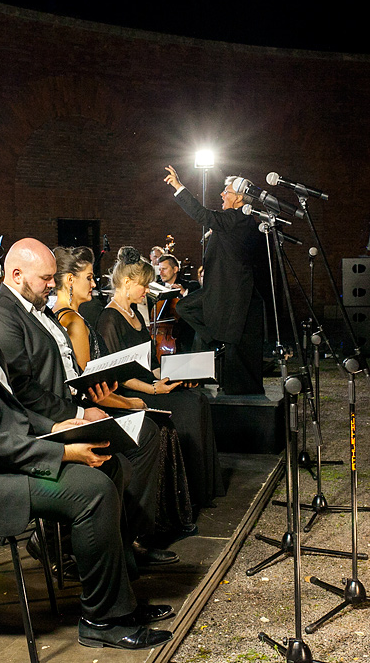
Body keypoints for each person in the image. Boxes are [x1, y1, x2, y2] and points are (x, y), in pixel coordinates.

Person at [0, 226, 173, 649]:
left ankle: (118, 597)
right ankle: (102, 620)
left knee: (110, 463)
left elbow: (5, 407)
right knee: (93, 490)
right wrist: (60, 452)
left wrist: (56, 427)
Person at [0, 238, 174, 566]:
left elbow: (63, 367)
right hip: (43, 423)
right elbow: (23, 390)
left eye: (54, 278)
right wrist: (81, 410)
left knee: (147, 433)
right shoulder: (2, 315)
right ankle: (100, 550)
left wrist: (92, 390)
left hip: (68, 404)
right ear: (15, 275)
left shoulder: (38, 309)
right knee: (117, 456)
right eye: (45, 279)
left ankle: (131, 539)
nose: (52, 285)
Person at [52, 246, 194, 539]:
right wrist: (131, 401)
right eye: (89, 278)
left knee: (160, 423)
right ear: (69, 281)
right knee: (149, 432)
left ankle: (143, 526)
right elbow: (89, 387)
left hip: (93, 404)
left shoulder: (68, 318)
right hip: (87, 411)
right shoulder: (74, 322)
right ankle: (137, 533)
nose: (94, 284)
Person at [97, 246, 225, 515]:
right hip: (135, 391)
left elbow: (151, 365)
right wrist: (153, 387)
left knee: (199, 399)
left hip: (151, 384)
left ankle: (203, 490)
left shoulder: (135, 314)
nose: (146, 291)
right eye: (143, 286)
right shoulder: (109, 319)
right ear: (127, 283)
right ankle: (191, 495)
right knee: (189, 408)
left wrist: (175, 374)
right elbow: (118, 375)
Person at [163, 165, 266, 395]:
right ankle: (214, 338)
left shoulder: (236, 218)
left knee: (186, 307)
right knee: (185, 306)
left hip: (228, 292)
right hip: (218, 288)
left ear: (239, 198)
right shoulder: (233, 221)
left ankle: (214, 339)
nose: (222, 194)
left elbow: (203, 215)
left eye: (226, 191)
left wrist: (179, 187)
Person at [155, 253, 200, 353]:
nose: (161, 273)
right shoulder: (155, 288)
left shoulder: (192, 286)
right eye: (159, 270)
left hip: (186, 339)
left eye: (164, 269)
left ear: (175, 270)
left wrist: (184, 293)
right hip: (160, 337)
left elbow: (197, 309)